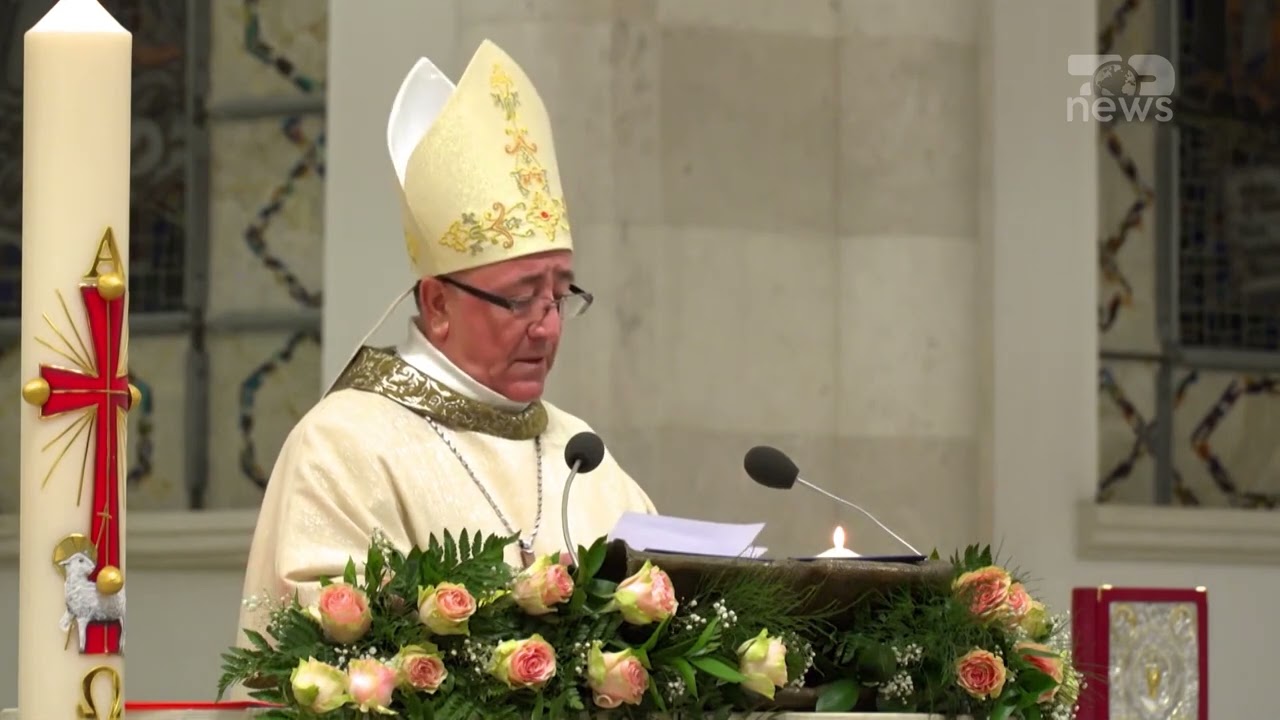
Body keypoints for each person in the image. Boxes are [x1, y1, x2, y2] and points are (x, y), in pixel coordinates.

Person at [236, 39, 657, 637]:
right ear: (437, 304)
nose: (548, 325)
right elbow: (319, 647)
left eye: (561, 294)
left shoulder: (583, 455)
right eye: (520, 298)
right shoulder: (345, 446)